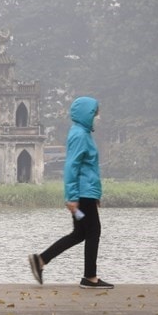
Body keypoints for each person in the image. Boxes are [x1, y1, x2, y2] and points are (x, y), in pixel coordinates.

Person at [28, 96, 114, 289]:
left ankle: (41, 260)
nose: (97, 118)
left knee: (79, 233)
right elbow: (71, 167)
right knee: (93, 231)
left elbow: (88, 168)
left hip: (86, 194)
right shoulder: (80, 135)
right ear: (86, 114)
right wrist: (72, 197)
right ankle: (90, 277)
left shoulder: (82, 133)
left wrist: (95, 194)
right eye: (95, 114)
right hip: (81, 195)